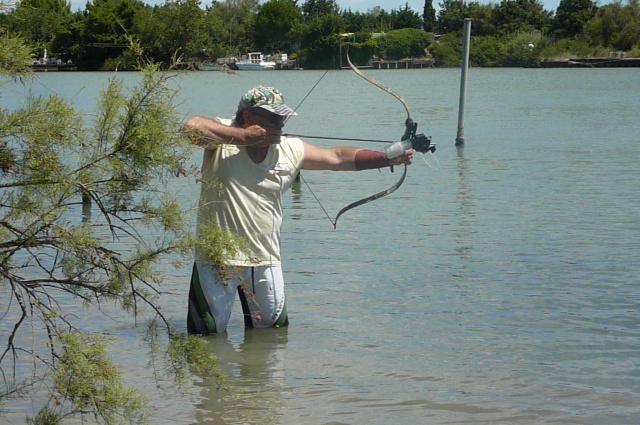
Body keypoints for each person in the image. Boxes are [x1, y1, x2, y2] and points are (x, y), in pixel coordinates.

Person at [184, 86, 413, 334]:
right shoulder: (221, 137)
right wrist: (243, 137)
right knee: (206, 336)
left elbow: (336, 157)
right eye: (272, 118)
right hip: (216, 257)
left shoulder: (289, 148)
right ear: (249, 117)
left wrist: (387, 157)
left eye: (282, 117)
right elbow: (191, 127)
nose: (280, 123)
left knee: (273, 337)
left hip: (265, 258)